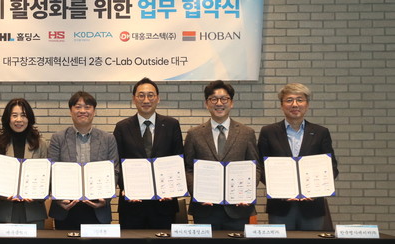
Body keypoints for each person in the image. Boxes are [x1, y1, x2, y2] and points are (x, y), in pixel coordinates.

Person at [258, 83, 339, 231]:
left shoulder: (321, 132)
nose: (294, 104)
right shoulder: (268, 132)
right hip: (280, 205)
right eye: (289, 100)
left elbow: (332, 167)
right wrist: (280, 190)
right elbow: (261, 167)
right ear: (281, 105)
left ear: (307, 104)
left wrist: (316, 190)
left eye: (300, 100)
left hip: (312, 206)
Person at [184, 80, 260, 231]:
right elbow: (187, 169)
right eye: (214, 99)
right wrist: (198, 193)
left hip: (238, 208)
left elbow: (255, 168)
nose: (219, 103)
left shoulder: (246, 133)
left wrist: (246, 193)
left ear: (231, 103)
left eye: (224, 99)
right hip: (204, 209)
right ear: (207, 104)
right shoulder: (194, 134)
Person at [113, 78, 184, 229]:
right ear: (134, 99)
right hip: (132, 205)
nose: (146, 100)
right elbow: (117, 162)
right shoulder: (122, 127)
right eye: (141, 95)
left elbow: (179, 159)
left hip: (164, 204)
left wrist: (173, 188)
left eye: (150, 95)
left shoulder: (172, 125)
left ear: (158, 98)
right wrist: (127, 188)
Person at [48, 91, 119, 229]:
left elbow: (114, 171)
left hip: (98, 208)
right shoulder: (58, 138)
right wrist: (58, 198)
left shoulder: (108, 139)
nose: (82, 111)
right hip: (66, 208)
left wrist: (105, 198)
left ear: (94, 111)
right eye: (78, 107)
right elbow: (51, 170)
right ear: (71, 111)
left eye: (87, 107)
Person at [0, 98, 49, 227]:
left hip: (34, 210)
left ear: (29, 118)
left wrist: (38, 194)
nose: (19, 120)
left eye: (23, 115)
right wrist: (2, 194)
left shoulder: (41, 144)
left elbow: (47, 177)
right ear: (8, 118)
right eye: (14, 115)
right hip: (6, 210)